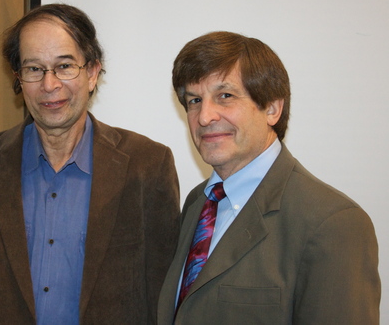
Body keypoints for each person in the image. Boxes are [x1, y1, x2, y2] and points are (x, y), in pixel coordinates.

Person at [0, 3, 180, 324]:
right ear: (19, 79)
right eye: (34, 69)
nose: (49, 85)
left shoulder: (148, 165)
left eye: (64, 66)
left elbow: (164, 298)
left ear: (93, 72)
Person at [158, 31, 380, 324]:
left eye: (225, 96)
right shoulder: (198, 202)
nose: (204, 116)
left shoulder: (332, 223)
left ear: (272, 108)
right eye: (195, 100)